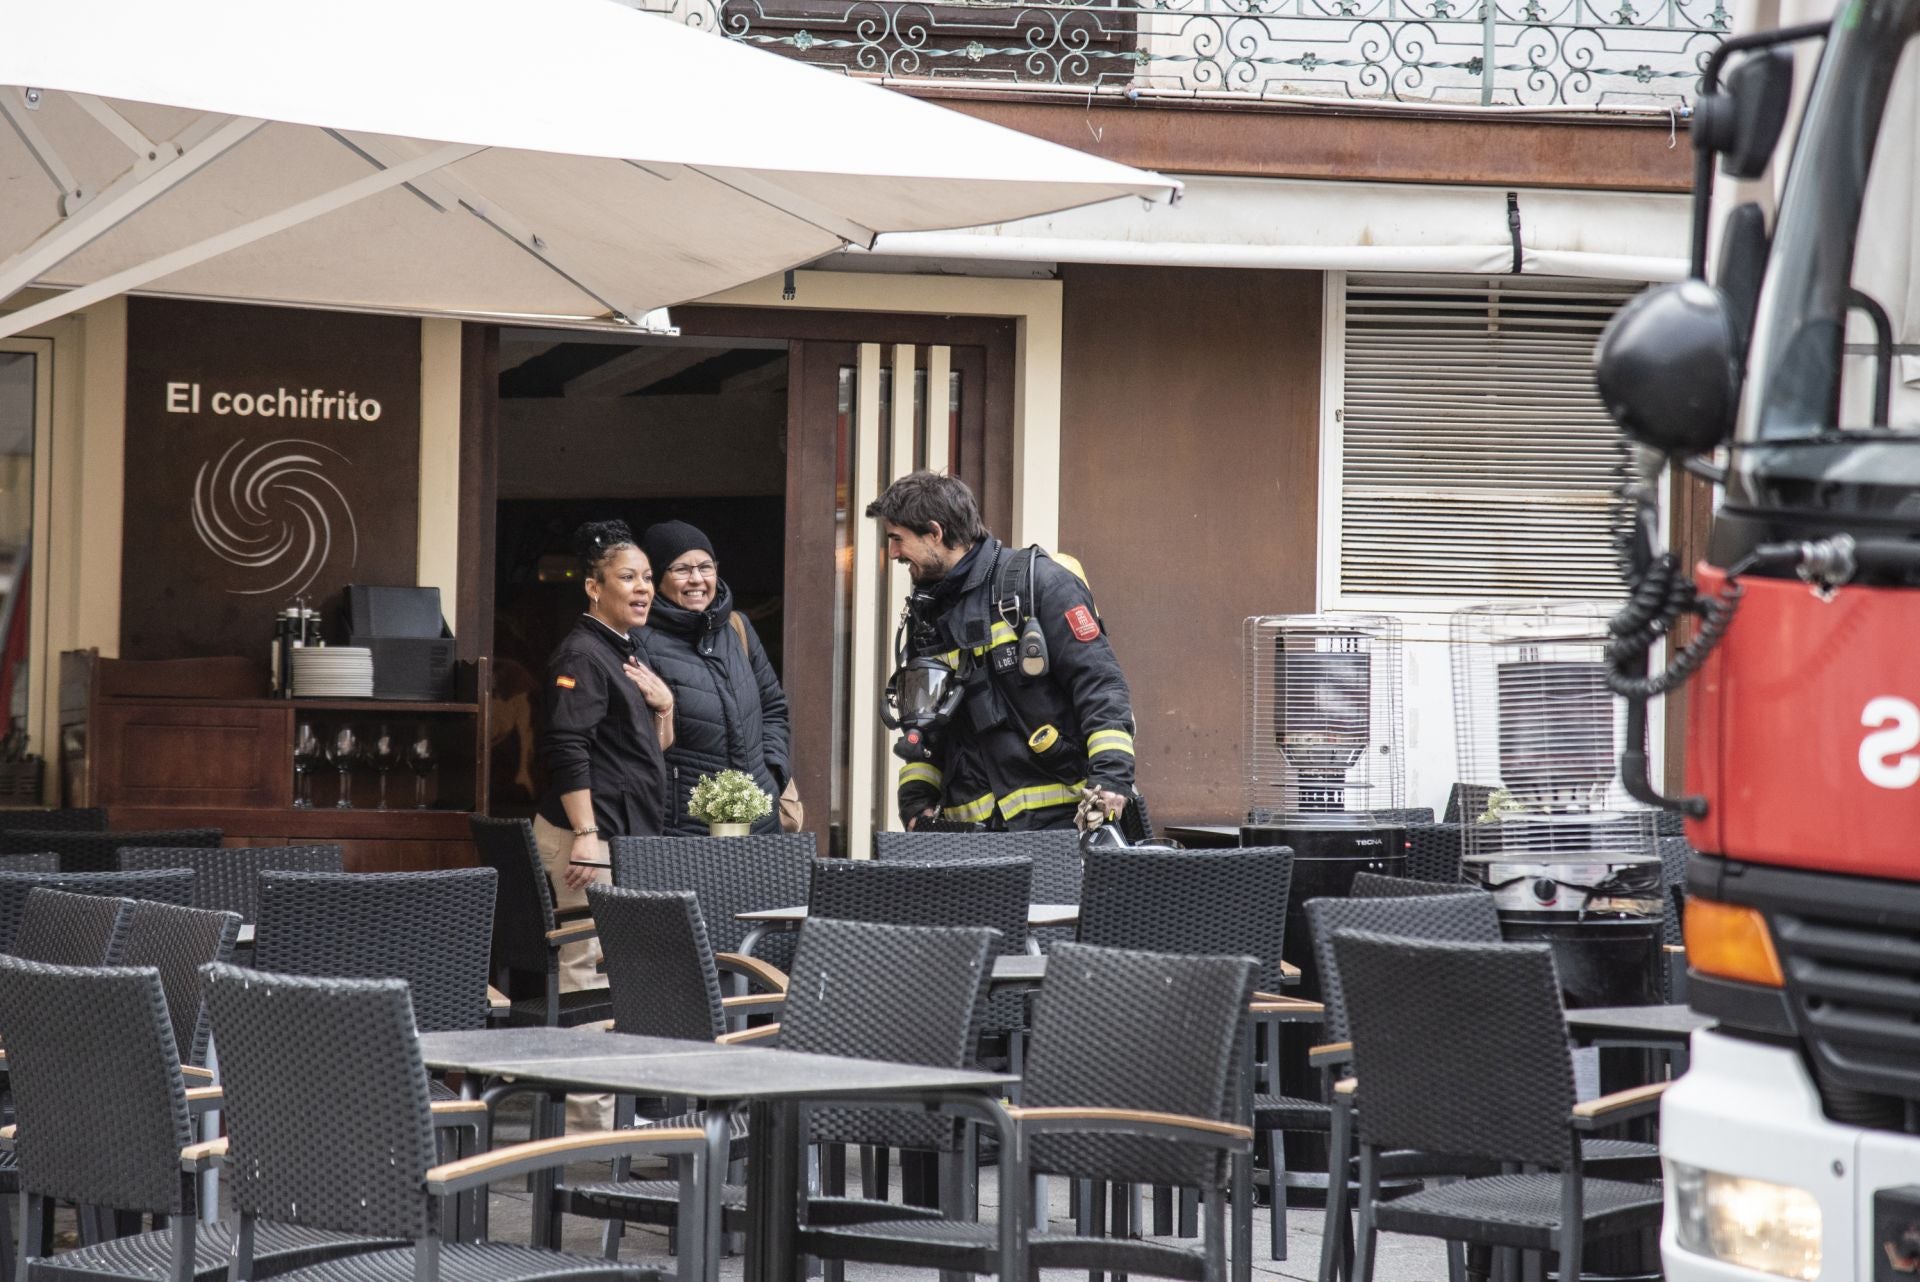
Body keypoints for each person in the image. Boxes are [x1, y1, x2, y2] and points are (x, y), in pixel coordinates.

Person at [865, 471, 1137, 832]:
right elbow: (926, 728)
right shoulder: (928, 615)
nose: (894, 552)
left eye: (898, 539)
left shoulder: (1040, 585)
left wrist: (1111, 777)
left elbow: (1100, 685)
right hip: (969, 834)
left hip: (1061, 822)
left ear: (935, 533)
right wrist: (916, 801)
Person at [534, 519, 674, 1128]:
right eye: (627, 578)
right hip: (591, 840)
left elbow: (650, 750)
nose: (642, 588)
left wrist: (665, 704)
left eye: (647, 578)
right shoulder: (582, 653)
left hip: (623, 836)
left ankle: (610, 1109)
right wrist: (587, 835)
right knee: (586, 972)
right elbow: (567, 746)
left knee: (610, 970)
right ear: (594, 587)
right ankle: (589, 1122)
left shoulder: (625, 649)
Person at [639, 520, 792, 834]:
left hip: (759, 824)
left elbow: (773, 708)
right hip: (683, 829)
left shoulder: (737, 628)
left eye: (705, 567)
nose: (697, 579)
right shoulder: (640, 640)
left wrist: (772, 775)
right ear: (655, 577)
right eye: (681, 569)